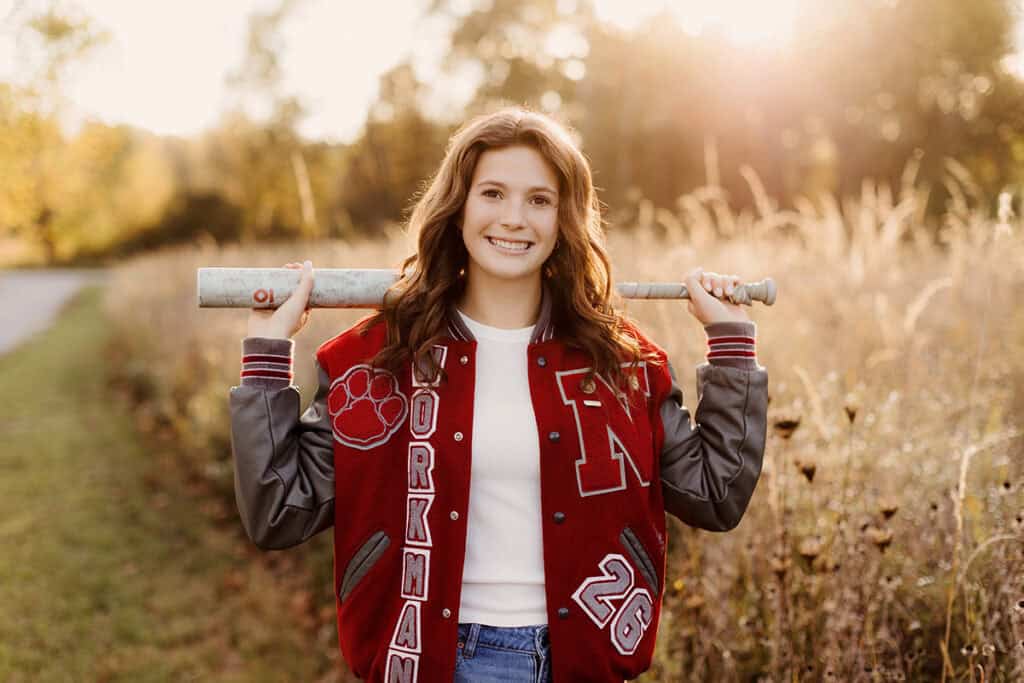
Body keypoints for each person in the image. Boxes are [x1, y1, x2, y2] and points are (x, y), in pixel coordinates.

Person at [229, 106, 768, 683]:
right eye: (492, 193)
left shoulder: (623, 363)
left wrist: (730, 341)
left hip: (585, 658)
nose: (514, 218)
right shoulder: (378, 360)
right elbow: (278, 511)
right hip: (432, 659)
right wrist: (267, 349)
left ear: (565, 220)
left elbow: (715, 494)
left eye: (539, 200)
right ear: (458, 207)